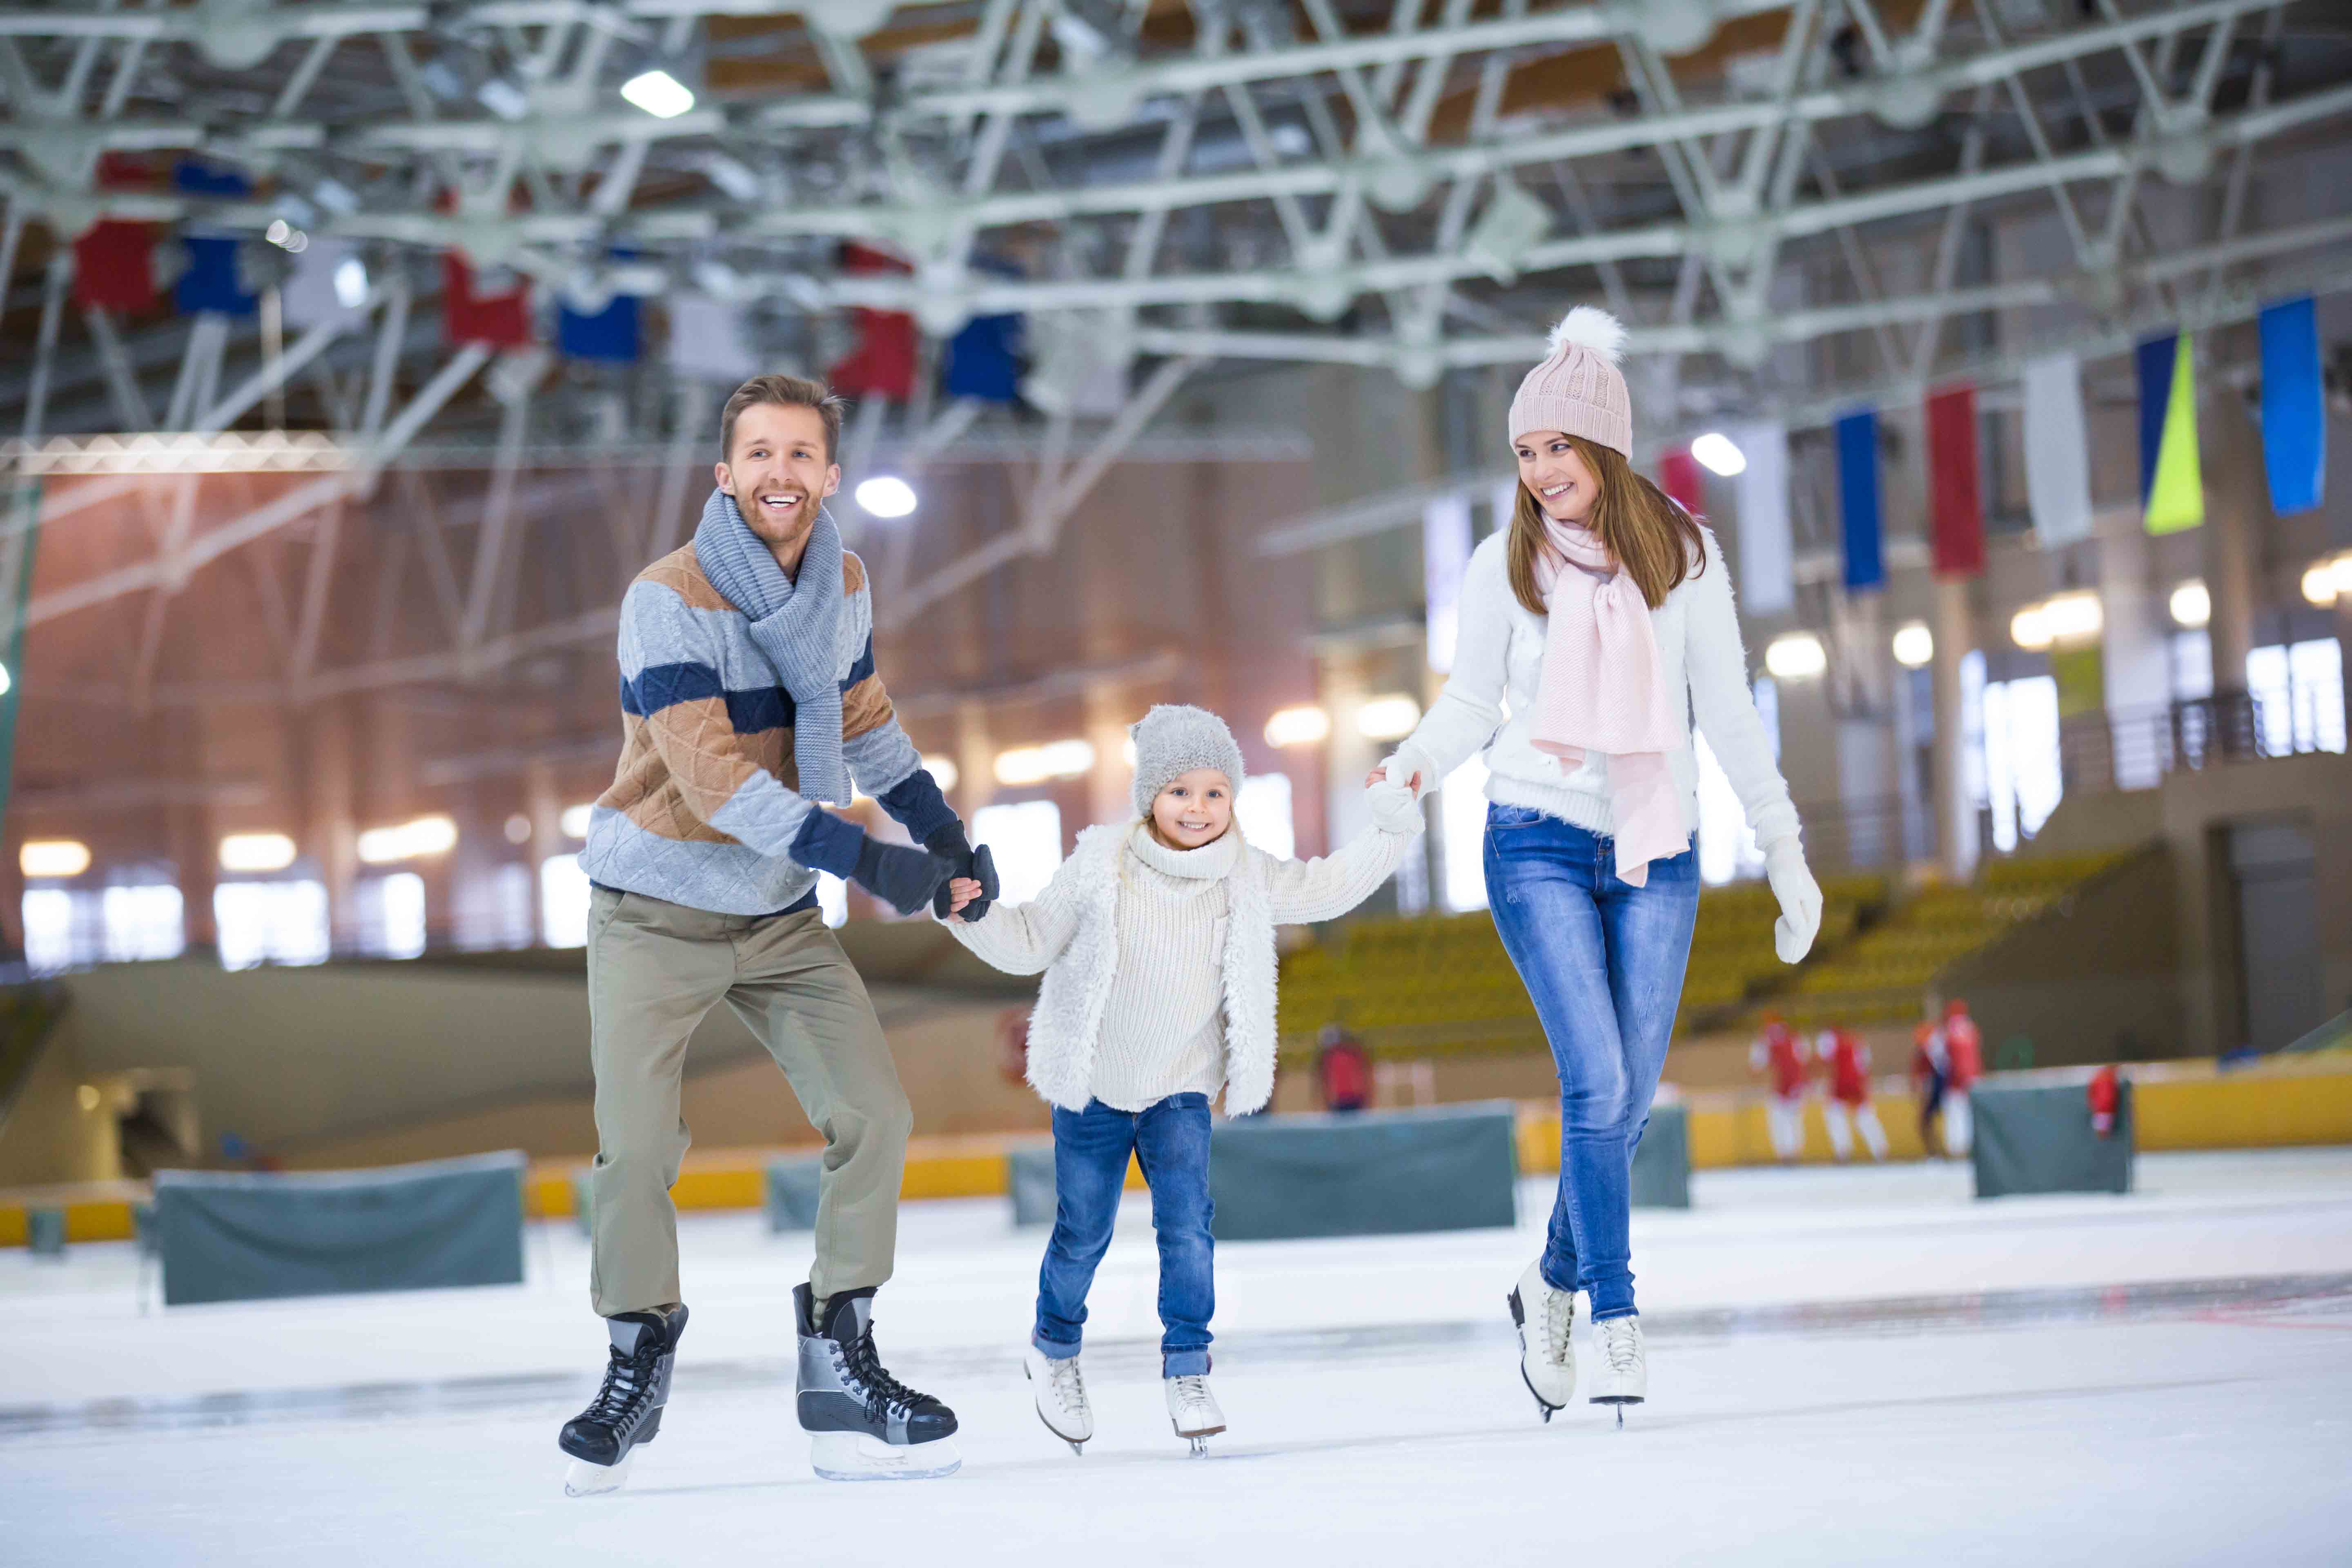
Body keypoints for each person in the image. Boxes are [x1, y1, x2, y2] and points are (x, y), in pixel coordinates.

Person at [1370, 305, 1822, 1425]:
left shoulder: (1687, 557)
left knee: (1623, 1107)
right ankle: (1616, 1316)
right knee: (1597, 1083)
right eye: (1524, 454)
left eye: (1556, 448)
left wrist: (1785, 848)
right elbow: (1473, 702)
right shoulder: (1502, 561)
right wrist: (1415, 765)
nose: (1538, 472)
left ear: (1604, 449)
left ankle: (1549, 1284)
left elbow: (1726, 711)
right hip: (1533, 840)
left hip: (1656, 845)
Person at [557, 374, 993, 1494]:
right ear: (723, 472)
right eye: (759, 454)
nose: (780, 474)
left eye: (801, 454)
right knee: (640, 1146)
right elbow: (709, 785)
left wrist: (945, 838)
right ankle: (635, 1351)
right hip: (654, 911)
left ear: (830, 474)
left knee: (875, 1112)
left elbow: (863, 721)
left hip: (779, 914)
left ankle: (839, 1359)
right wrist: (869, 862)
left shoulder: (839, 580)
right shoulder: (669, 597)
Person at [940, 704, 1423, 1454]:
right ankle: (1055, 1349)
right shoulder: (1101, 864)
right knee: (1082, 1235)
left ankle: (1188, 1367)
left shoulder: (1248, 875)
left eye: (1214, 793)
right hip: (1096, 1089)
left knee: (1189, 1232)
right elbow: (1031, 940)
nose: (1197, 810)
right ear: (1149, 799)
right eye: (1179, 793)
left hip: (1180, 1092)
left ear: (1233, 800)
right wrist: (967, 915)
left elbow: (1329, 887)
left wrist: (1393, 827)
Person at [1815, 1024, 1889, 1162]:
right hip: (1851, 1084)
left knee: (1847, 1117)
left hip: (1846, 1084)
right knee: (1859, 1117)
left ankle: (1846, 1152)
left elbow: (1827, 1064)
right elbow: (1864, 1068)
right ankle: (1878, 1150)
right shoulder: (1856, 1044)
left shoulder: (1835, 1043)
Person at [1751, 1014, 1808, 1162]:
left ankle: (1786, 1153)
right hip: (1795, 1084)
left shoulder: (1767, 1041)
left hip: (1785, 1085)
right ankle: (1793, 1152)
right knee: (1792, 1120)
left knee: (1780, 1119)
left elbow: (1756, 1068)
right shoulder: (1795, 1038)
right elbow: (1804, 1061)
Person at [1938, 998, 1983, 1156]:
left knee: (1954, 1112)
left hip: (1956, 1078)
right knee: (1969, 1112)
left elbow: (1944, 1057)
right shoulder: (1972, 1028)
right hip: (1972, 1077)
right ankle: (1971, 1145)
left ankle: (1956, 1147)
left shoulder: (1948, 1030)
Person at [1314, 1020, 1373, 1113]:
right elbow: (1325, 1082)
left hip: (1354, 1099)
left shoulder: (1353, 1054)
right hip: (1341, 1100)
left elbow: (1366, 1076)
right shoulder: (1328, 1058)